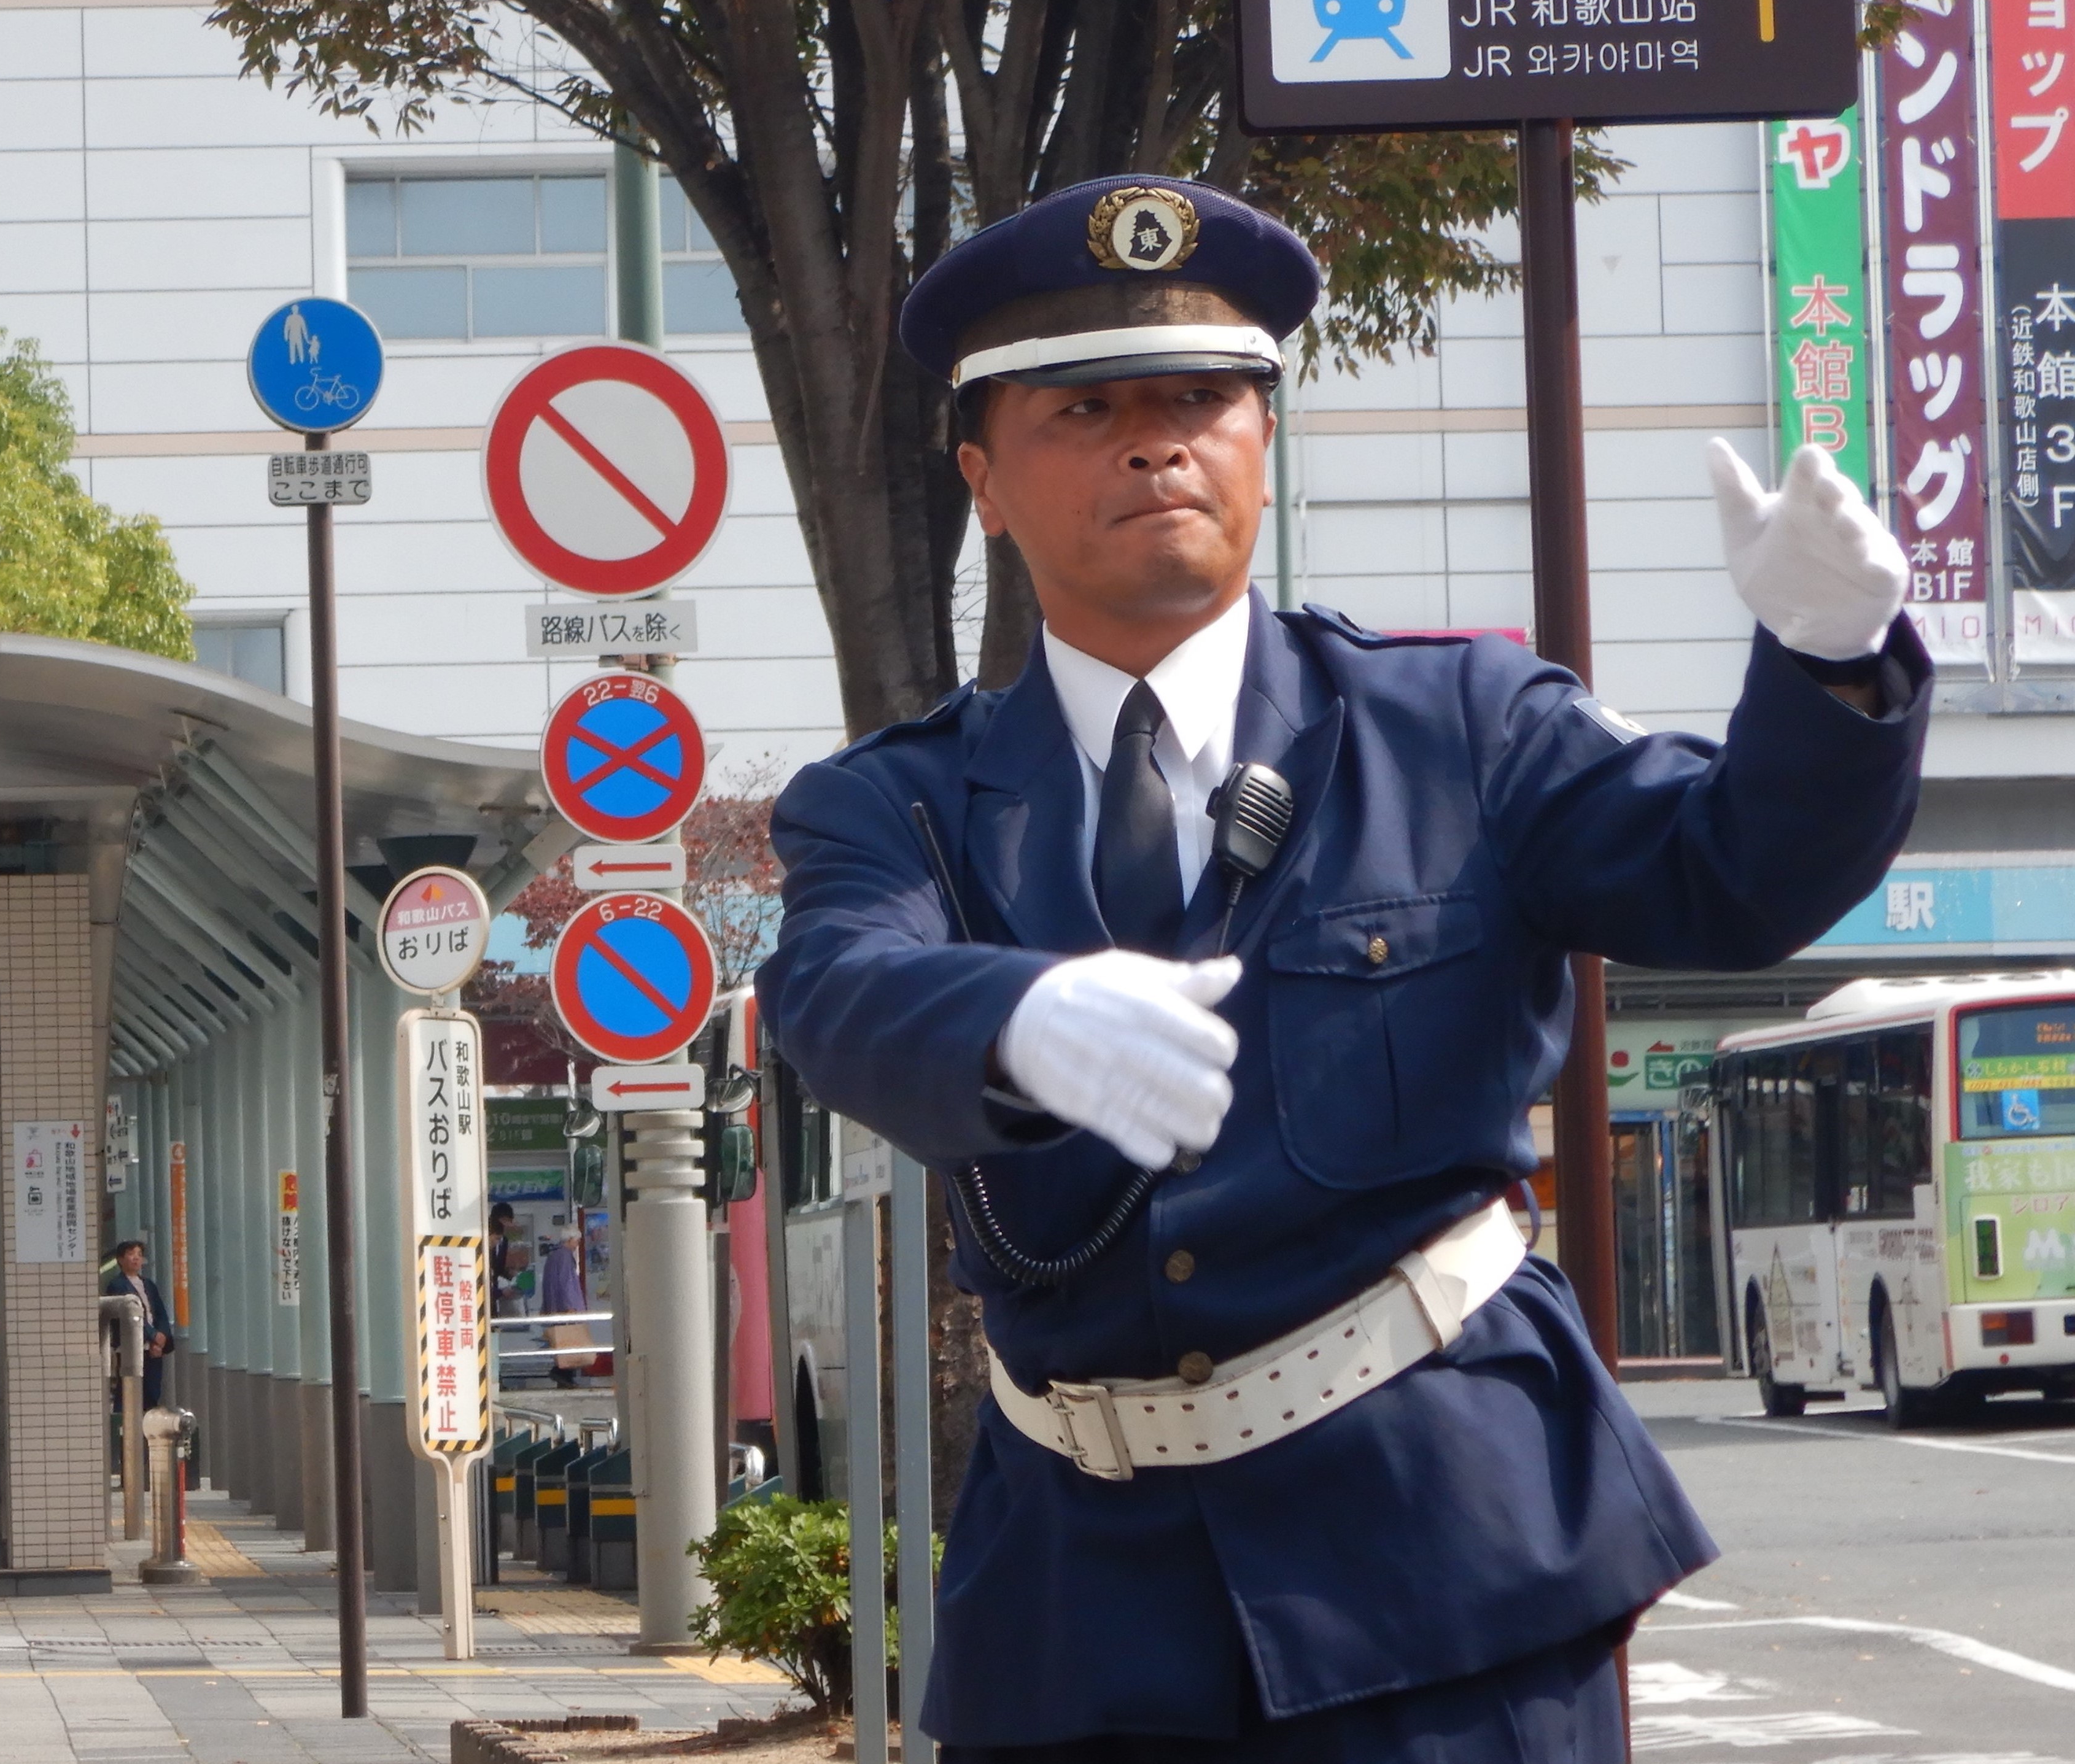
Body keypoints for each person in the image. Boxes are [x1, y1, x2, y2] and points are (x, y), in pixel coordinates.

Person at [756, 174, 1929, 1760]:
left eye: (1199, 399)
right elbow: (833, 989)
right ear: (983, 474)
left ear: (1263, 434)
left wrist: (1827, 666)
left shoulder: (1460, 727)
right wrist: (1013, 1017)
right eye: (1086, 408)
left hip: (1444, 1554)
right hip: (1078, 1599)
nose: (1154, 443)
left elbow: (1724, 873)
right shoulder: (893, 800)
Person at [104, 1239, 173, 1407]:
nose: (136, 1258)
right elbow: (131, 1317)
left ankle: (147, 1429)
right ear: (120, 1260)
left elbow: (161, 1313)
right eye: (131, 1254)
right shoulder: (117, 1285)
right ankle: (125, 1427)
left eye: (139, 1255)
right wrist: (153, 1336)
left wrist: (161, 1337)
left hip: (154, 1348)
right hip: (132, 1346)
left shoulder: (149, 1284)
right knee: (129, 1391)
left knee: (152, 1391)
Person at [538, 1212, 592, 1389]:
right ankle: (562, 1373)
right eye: (576, 1241)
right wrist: (570, 1306)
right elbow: (567, 1283)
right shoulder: (565, 1257)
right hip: (566, 1308)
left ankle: (563, 1375)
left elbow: (550, 1284)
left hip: (555, 1306)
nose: (577, 1245)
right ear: (570, 1240)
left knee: (563, 1342)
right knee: (571, 1342)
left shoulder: (553, 1256)